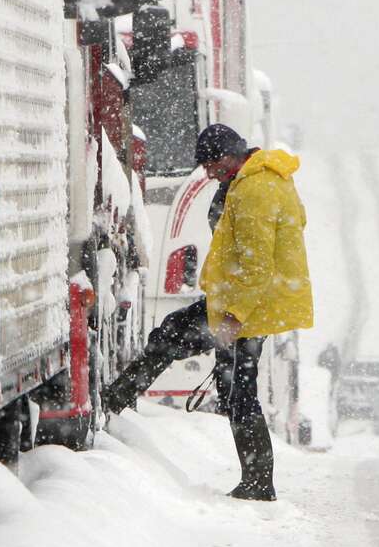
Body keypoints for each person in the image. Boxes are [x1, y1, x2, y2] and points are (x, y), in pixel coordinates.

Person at [103, 124, 313, 500]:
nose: (208, 172)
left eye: (212, 164)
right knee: (233, 384)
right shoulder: (252, 180)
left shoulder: (254, 188)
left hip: (245, 306)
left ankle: (110, 405)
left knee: (192, 354)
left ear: (230, 155)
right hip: (244, 301)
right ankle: (257, 480)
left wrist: (233, 317)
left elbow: (257, 264)